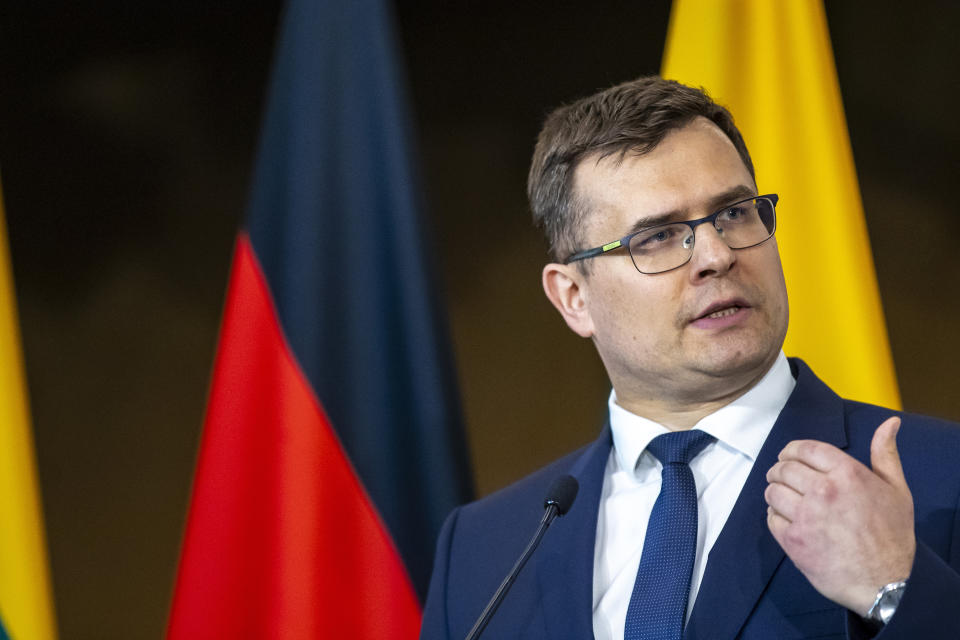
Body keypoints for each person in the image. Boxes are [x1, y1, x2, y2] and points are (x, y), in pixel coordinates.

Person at [419, 76, 960, 639]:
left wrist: (898, 590)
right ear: (573, 298)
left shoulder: (942, 480)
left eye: (734, 214)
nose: (717, 255)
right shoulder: (484, 551)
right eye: (657, 236)